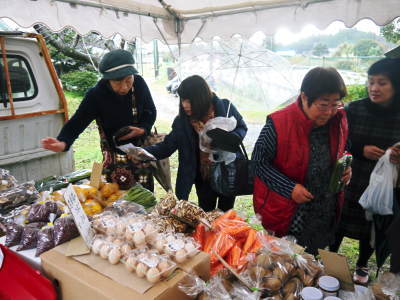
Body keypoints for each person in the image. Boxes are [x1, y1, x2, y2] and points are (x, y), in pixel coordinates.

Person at [252, 67, 351, 255]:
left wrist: (346, 167)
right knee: (286, 262)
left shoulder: (339, 119)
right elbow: (258, 163)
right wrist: (290, 188)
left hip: (324, 209)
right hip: (290, 212)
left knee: (313, 262)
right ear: (305, 97)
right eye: (323, 105)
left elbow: (345, 147)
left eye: (335, 104)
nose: (330, 111)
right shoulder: (279, 123)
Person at [41, 49, 157, 190]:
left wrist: (143, 128)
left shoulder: (139, 83)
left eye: (128, 80)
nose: (124, 87)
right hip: (114, 156)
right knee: (115, 197)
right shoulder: (96, 95)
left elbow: (150, 111)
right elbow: (78, 121)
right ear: (108, 79)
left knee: (145, 197)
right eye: (118, 82)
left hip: (140, 153)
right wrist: (63, 142)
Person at [331, 58, 400, 284]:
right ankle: (331, 257)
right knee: (339, 219)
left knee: (372, 224)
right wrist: (361, 149)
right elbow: (340, 140)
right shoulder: (355, 109)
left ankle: (362, 265)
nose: (374, 88)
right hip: (353, 175)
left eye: (382, 83)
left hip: (383, 182)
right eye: (371, 82)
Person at [142, 75, 247, 212]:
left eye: (188, 100)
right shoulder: (182, 122)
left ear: (200, 97)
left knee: (226, 214)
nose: (184, 105)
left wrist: (229, 137)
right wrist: (142, 152)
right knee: (206, 212)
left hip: (227, 171)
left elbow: (241, 127)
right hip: (203, 177)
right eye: (182, 100)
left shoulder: (226, 108)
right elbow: (167, 146)